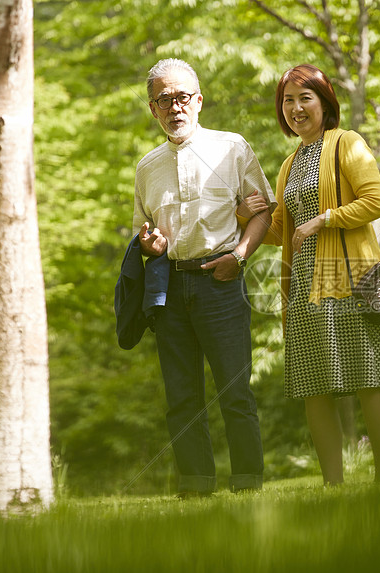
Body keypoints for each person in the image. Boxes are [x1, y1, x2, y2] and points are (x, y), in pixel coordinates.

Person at [239, 64, 380, 484]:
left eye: (305, 98)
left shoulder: (346, 143)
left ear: (324, 102)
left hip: (351, 279)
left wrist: (324, 219)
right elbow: (283, 231)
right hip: (303, 287)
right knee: (314, 388)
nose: (296, 108)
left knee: (370, 380)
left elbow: (376, 201)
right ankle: (332, 486)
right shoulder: (289, 163)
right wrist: (250, 215)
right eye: (288, 100)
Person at [133, 58, 276, 496]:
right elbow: (143, 232)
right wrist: (148, 247)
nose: (174, 108)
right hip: (170, 288)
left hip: (221, 279)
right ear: (153, 109)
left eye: (181, 98)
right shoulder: (146, 167)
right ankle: (195, 486)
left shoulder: (233, 148)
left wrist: (240, 254)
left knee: (235, 391)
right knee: (182, 397)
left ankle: (248, 483)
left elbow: (264, 209)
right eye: (164, 100)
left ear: (197, 101)